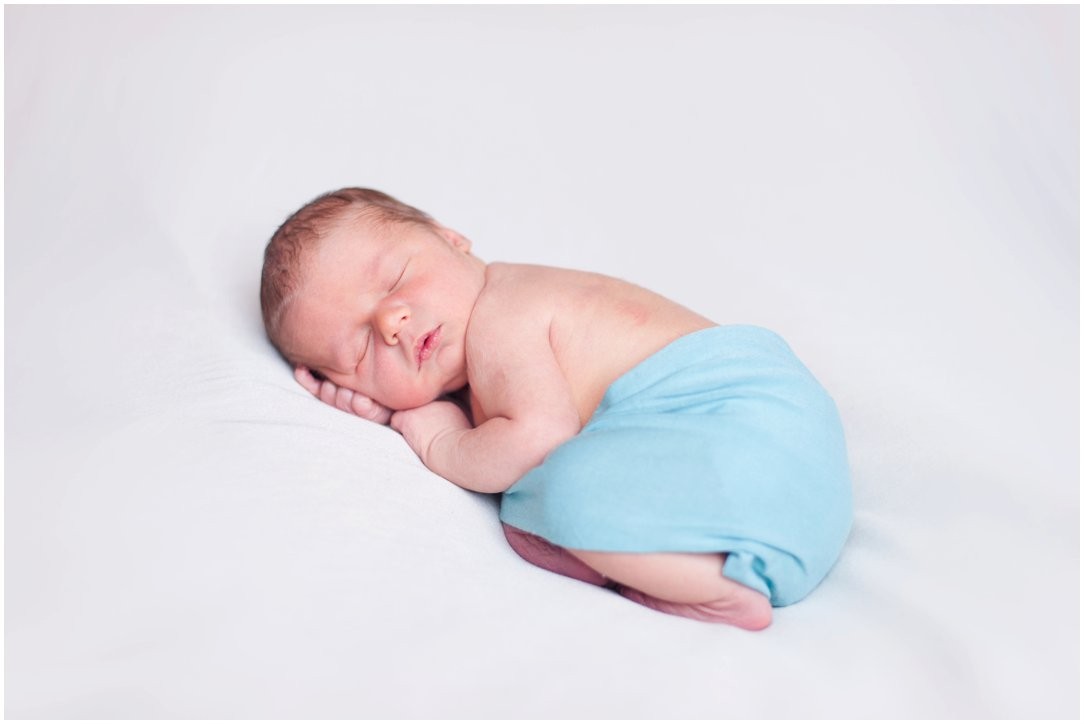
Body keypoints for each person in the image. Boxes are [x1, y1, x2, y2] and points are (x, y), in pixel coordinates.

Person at [260, 187, 852, 630]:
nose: (392, 322)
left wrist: (440, 442)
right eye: (358, 348)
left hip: (746, 431)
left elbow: (535, 440)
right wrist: (389, 406)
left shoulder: (503, 312)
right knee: (538, 500)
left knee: (555, 487)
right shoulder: (490, 335)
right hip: (796, 480)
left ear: (449, 236)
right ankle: (678, 560)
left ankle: (715, 590)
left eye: (396, 279)